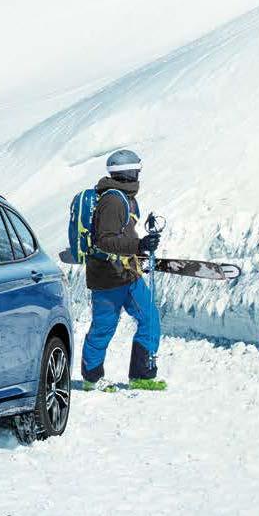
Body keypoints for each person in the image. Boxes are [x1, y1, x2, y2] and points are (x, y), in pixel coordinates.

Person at [81, 149, 164, 392]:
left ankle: (142, 375)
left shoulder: (126, 198)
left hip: (127, 273)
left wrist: (140, 247)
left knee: (149, 317)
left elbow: (123, 235)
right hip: (108, 277)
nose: (139, 173)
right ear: (128, 171)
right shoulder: (112, 200)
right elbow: (104, 240)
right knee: (103, 327)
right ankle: (92, 378)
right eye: (137, 169)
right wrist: (138, 245)